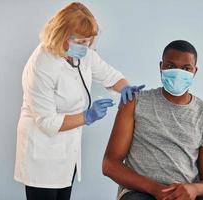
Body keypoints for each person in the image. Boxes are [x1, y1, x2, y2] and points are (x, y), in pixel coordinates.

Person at [14, 2, 144, 200]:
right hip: (41, 150)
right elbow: (47, 122)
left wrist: (125, 86)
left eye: (89, 41)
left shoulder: (82, 53)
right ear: (61, 35)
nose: (87, 47)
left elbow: (109, 75)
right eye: (81, 41)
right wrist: (87, 116)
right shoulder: (42, 64)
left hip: (68, 150)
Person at [102, 40, 203, 200]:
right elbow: (110, 164)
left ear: (195, 71)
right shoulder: (135, 102)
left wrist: (193, 190)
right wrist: (156, 190)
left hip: (185, 195)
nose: (178, 73)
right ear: (161, 67)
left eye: (186, 69)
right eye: (171, 66)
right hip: (140, 193)